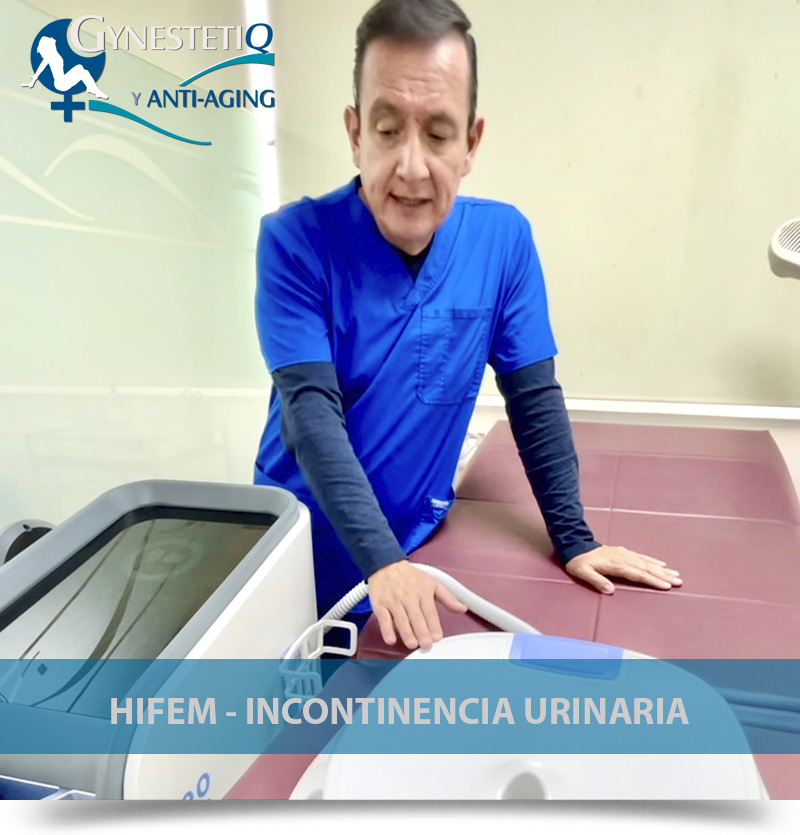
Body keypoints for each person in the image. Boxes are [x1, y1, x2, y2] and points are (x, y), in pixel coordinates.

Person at [254, 0, 681, 651]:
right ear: (355, 134)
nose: (412, 167)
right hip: (298, 550)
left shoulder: (502, 242)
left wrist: (575, 539)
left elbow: (533, 397)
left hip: (417, 548)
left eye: (438, 133)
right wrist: (383, 564)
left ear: (471, 143)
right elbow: (311, 418)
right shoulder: (295, 243)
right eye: (387, 130)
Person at [21, 35, 108, 99]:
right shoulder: (50, 57)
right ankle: (94, 90)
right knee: (84, 73)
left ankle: (91, 88)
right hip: (61, 84)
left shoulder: (55, 55)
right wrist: (33, 80)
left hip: (62, 80)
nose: (54, 45)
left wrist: (33, 80)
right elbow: (42, 66)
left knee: (79, 67)